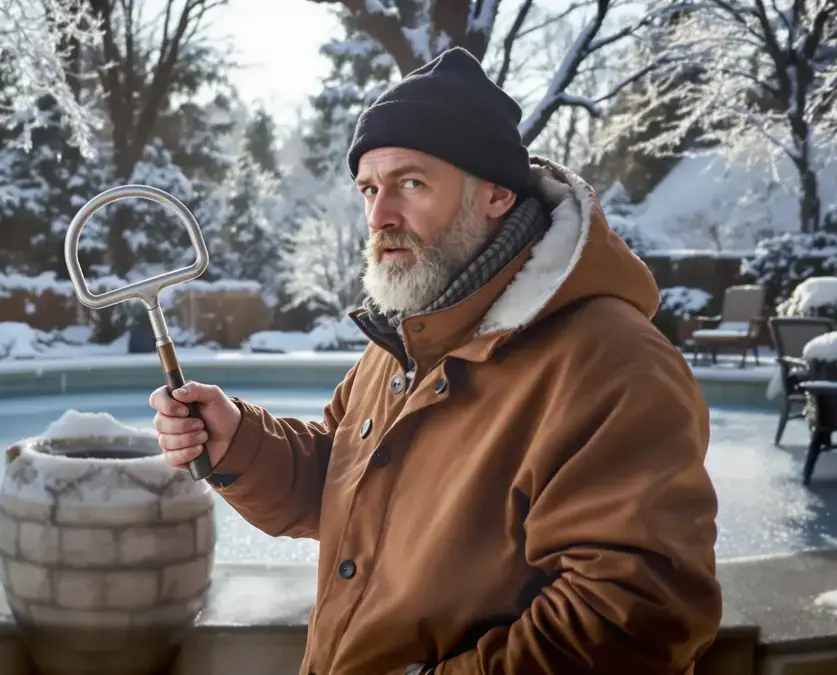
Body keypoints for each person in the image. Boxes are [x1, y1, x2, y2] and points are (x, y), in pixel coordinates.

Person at [148, 47, 722, 675]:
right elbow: (342, 486)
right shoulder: (408, 339)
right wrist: (238, 441)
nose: (379, 216)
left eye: (410, 183)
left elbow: (630, 618)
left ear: (496, 192)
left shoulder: (611, 364)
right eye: (369, 188)